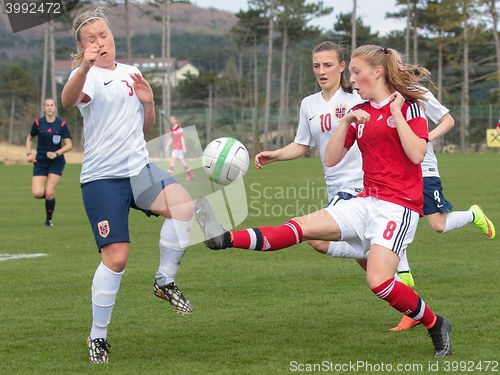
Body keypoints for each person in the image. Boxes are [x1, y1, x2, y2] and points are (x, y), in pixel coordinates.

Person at [198, 45, 453, 357]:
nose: (353, 80)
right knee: (300, 228)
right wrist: (346, 122)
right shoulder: (360, 110)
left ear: (378, 71)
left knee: (378, 281)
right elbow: (331, 159)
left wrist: (397, 113)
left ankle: (435, 322)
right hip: (364, 201)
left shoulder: (409, 106)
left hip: (398, 207)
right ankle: (222, 238)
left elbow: (416, 154)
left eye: (357, 72)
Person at [61, 7, 194, 364]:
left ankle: (164, 281)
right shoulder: (83, 75)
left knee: (184, 204)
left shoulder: (131, 72)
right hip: (102, 178)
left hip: (138, 169)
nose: (100, 42)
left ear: (113, 37)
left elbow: (145, 127)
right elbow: (68, 101)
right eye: (92, 39)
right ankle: (98, 337)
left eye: (104, 35)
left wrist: (149, 102)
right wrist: (85, 66)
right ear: (83, 47)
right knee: (117, 258)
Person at [25, 98, 73, 227]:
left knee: (50, 192)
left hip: (56, 162)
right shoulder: (38, 123)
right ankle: (49, 198)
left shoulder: (61, 124)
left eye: (52, 105)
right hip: (40, 161)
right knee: (37, 193)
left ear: (55, 108)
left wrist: (56, 153)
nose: (50, 107)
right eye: (47, 105)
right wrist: (29, 154)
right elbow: (29, 139)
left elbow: (69, 145)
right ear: (44, 108)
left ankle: (48, 221)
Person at [165, 115, 193, 180]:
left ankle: (169, 176)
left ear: (175, 120)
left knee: (172, 160)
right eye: (170, 120)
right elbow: (171, 138)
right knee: (182, 161)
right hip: (175, 147)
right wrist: (167, 146)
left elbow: (182, 137)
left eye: (172, 119)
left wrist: (184, 147)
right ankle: (190, 174)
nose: (171, 121)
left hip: (178, 147)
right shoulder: (172, 129)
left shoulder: (179, 128)